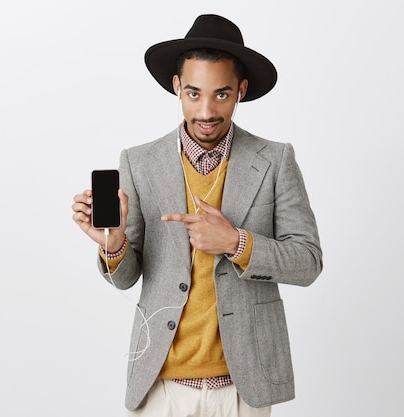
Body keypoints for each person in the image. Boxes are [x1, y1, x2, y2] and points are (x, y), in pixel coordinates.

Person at [72, 14, 322, 417]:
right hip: (160, 384)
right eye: (193, 93)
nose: (206, 110)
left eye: (221, 95)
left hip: (244, 386)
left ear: (241, 90)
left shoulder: (275, 160)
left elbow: (308, 262)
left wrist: (236, 243)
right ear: (176, 87)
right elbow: (126, 278)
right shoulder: (139, 162)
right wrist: (114, 245)